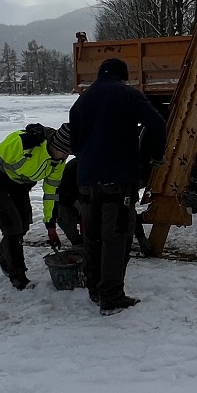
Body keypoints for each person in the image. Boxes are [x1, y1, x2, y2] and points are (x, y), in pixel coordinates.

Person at [68, 57, 167, 315]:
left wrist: (87, 159)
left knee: (92, 237)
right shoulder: (128, 95)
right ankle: (111, 297)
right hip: (118, 180)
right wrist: (156, 155)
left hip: (86, 181)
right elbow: (157, 124)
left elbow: (74, 140)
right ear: (123, 76)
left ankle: (94, 289)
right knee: (116, 238)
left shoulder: (83, 100)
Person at [0, 122, 71, 289]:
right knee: (13, 229)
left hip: (21, 187)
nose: (64, 157)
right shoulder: (22, 142)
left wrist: (50, 225)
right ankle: (17, 276)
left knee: (24, 225)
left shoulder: (58, 162)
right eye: (63, 152)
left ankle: (1, 253)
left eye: (68, 154)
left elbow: (51, 193)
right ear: (55, 144)